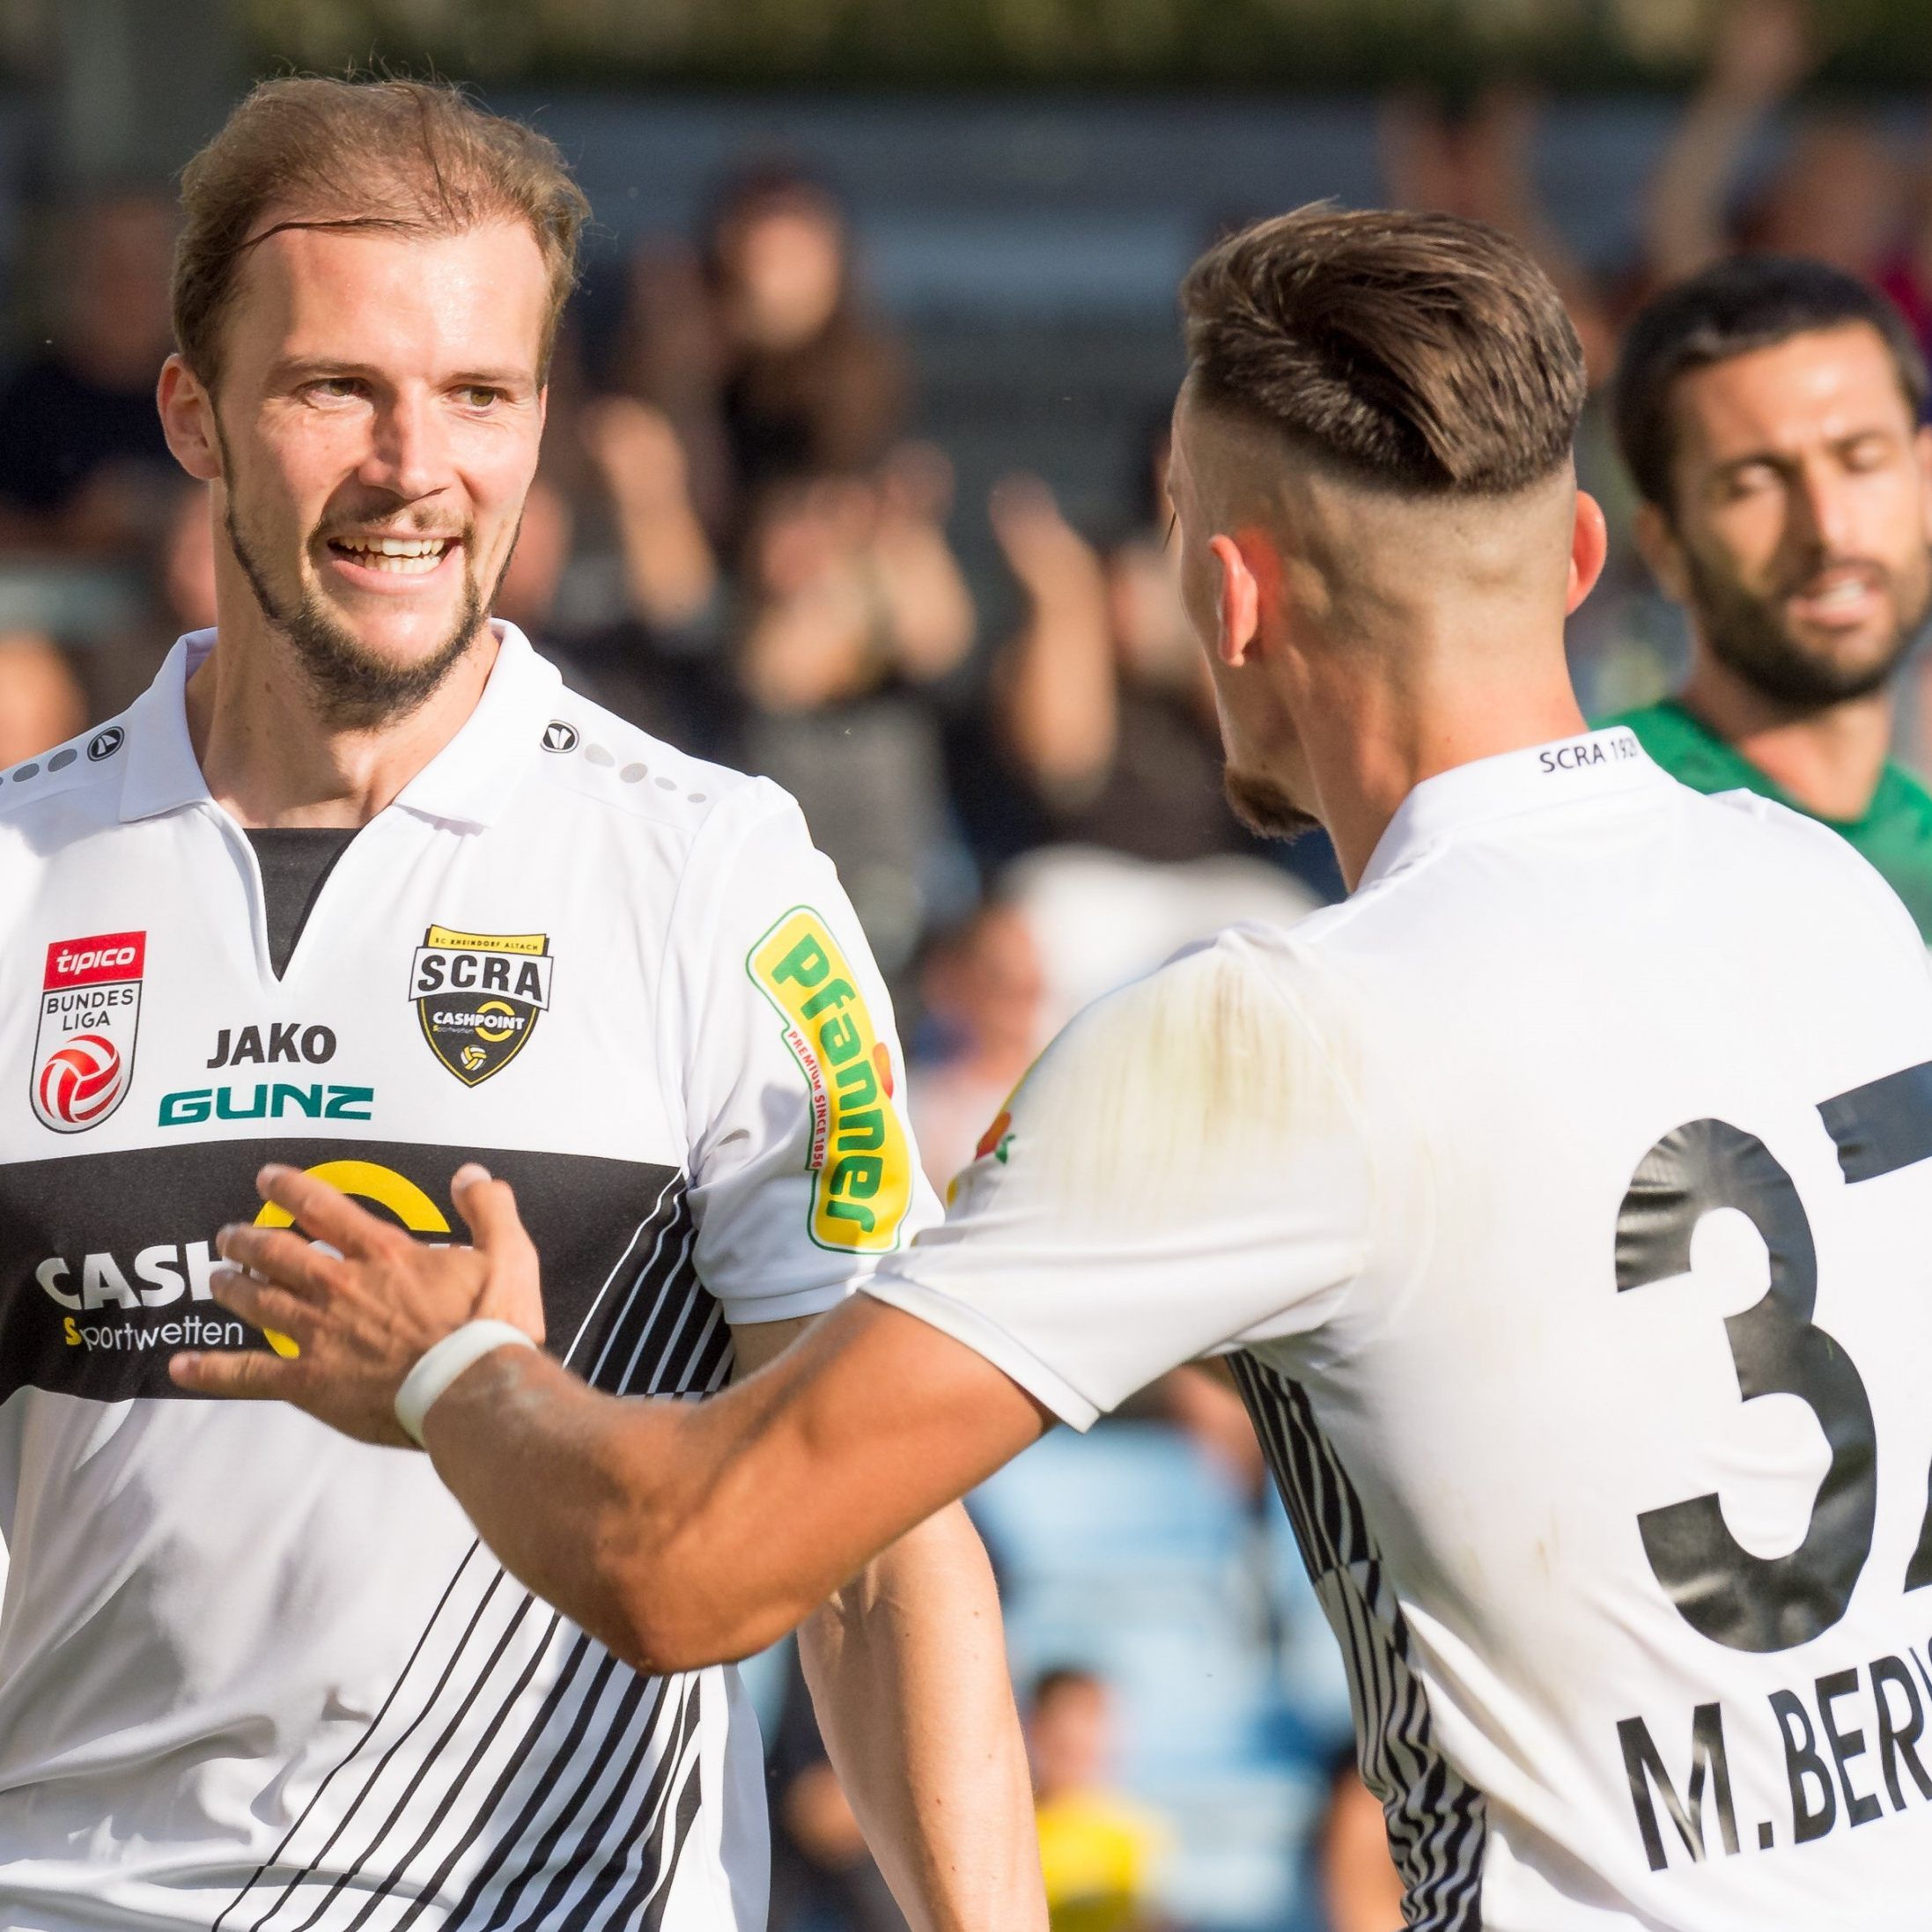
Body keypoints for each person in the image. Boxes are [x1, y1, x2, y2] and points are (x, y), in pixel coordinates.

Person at [181, 207, 1932, 1927]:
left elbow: (695, 1556)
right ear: (1572, 559)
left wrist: (449, 1367)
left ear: (1226, 598)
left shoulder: (1269, 1037)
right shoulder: (1832, 896)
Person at [0, 76, 1040, 1932]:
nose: (418, 463)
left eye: (478, 393)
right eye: (337, 388)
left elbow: (870, 1540)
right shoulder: (15, 881)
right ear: (194, 415)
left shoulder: (718, 874)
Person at [1604, 254, 1932, 936]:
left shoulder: (1917, 832)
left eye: (1861, 460)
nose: (1827, 528)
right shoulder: (1601, 827)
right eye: (1755, 482)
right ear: (1665, 546)